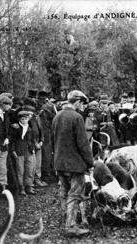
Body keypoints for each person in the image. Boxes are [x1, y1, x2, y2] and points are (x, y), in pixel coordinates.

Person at [52, 90, 93, 236]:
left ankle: (66, 219)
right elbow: (83, 144)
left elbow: (54, 140)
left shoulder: (57, 116)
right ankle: (70, 226)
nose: (83, 107)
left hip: (59, 162)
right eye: (82, 103)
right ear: (77, 102)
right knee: (75, 194)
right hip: (75, 165)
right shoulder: (77, 117)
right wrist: (90, 162)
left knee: (64, 192)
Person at [10, 106, 37, 196]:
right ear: (19, 119)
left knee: (29, 169)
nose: (24, 121)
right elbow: (13, 141)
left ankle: (28, 186)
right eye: (22, 119)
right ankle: (21, 188)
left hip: (28, 151)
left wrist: (32, 148)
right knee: (20, 170)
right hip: (19, 151)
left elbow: (32, 140)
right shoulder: (16, 129)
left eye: (25, 119)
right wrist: (13, 150)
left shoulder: (29, 128)